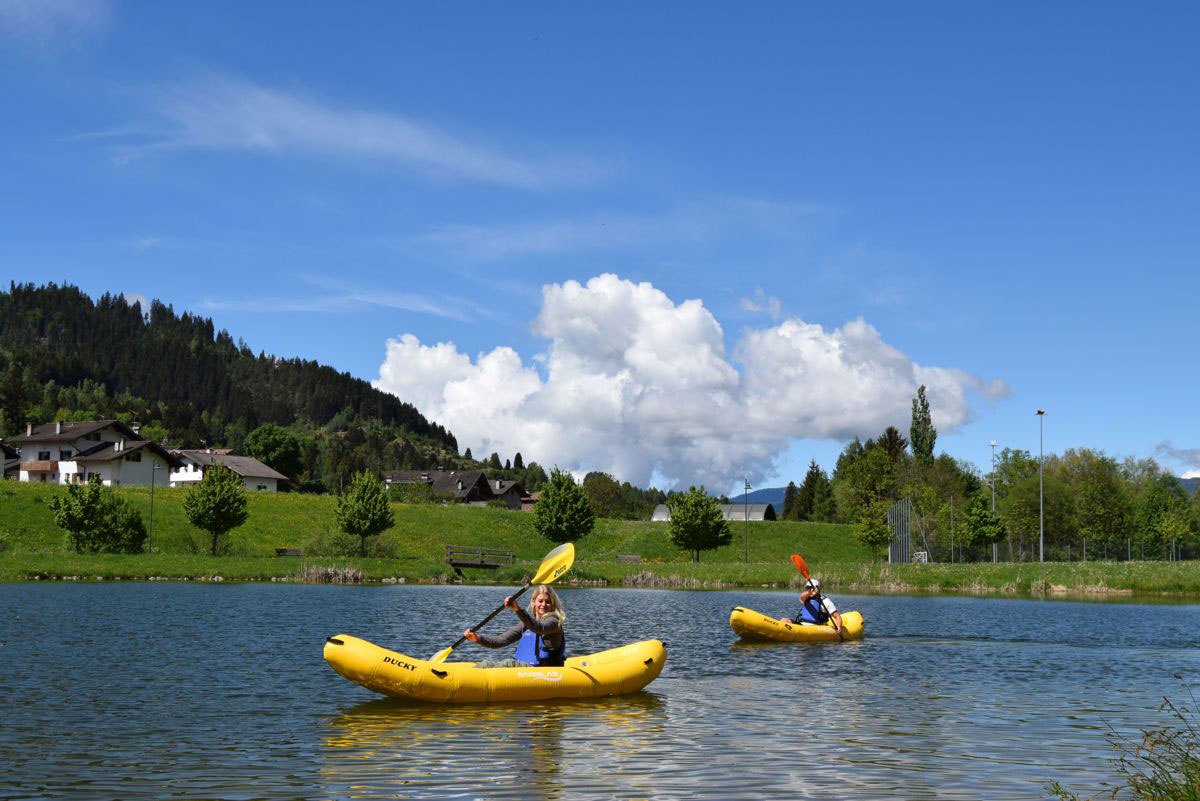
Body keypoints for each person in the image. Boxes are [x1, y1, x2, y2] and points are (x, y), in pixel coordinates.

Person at [463, 584, 566, 668]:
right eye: (540, 601)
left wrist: (517, 609)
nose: (543, 604)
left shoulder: (554, 621)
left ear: (552, 604)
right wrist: (477, 638)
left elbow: (539, 628)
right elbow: (501, 640)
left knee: (507, 663)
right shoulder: (527, 624)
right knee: (486, 664)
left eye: (548, 602)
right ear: (534, 602)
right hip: (525, 669)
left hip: (544, 670)